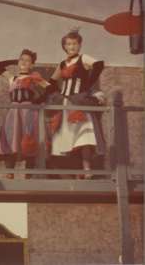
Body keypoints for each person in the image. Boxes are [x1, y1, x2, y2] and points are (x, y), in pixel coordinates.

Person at [49, 28, 106, 179]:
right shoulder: (62, 64)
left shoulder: (84, 58)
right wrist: (58, 93)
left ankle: (87, 169)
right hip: (66, 104)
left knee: (84, 137)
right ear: (65, 46)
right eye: (69, 44)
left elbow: (99, 64)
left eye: (74, 43)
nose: (72, 46)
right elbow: (52, 81)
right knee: (70, 137)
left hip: (79, 101)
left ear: (79, 45)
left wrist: (88, 85)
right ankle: (78, 172)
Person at [0, 49, 55, 179]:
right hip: (13, 113)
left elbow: (51, 88)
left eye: (27, 61)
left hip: (29, 114)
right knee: (11, 140)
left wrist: (36, 101)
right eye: (22, 59)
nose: (23, 62)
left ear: (32, 65)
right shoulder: (12, 78)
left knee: (29, 142)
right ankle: (10, 176)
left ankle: (28, 177)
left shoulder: (34, 78)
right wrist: (15, 61)